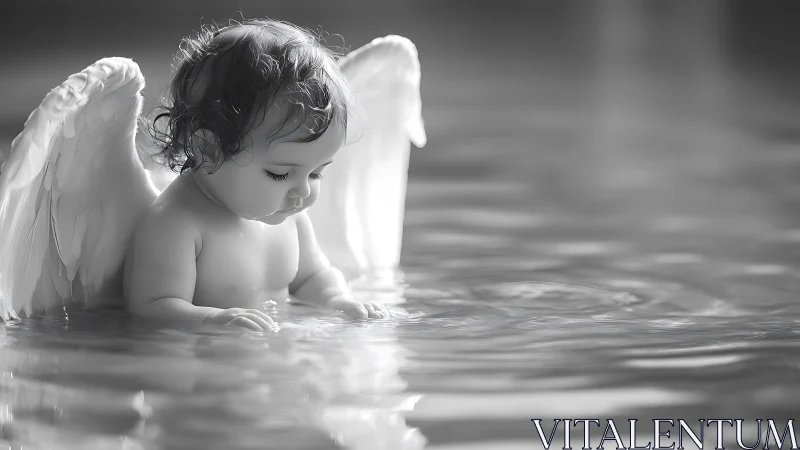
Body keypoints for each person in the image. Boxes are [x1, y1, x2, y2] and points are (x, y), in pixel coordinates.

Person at [123, 20, 390, 332]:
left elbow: (312, 276)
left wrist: (337, 300)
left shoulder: (289, 216)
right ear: (208, 150)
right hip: (211, 367)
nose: (302, 191)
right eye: (279, 174)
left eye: (316, 173)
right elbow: (150, 306)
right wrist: (211, 319)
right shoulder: (177, 224)